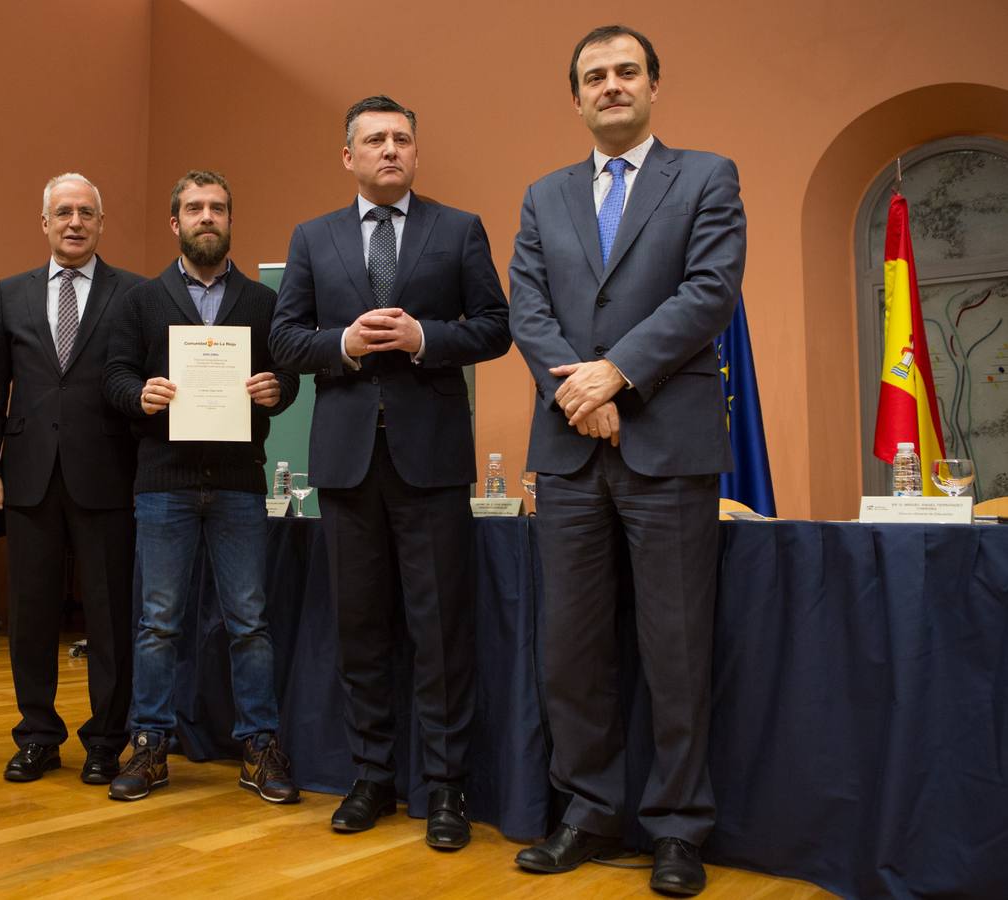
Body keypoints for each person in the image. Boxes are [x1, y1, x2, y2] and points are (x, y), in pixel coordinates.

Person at [507, 25, 746, 895]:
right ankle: (586, 813)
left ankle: (679, 828)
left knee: (675, 648)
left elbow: (708, 291)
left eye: (625, 73)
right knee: (570, 649)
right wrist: (581, 394)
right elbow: (525, 306)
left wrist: (618, 375)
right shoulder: (544, 195)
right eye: (593, 77)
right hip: (568, 454)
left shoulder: (707, 178)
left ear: (653, 85)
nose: (610, 86)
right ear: (574, 97)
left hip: (668, 449)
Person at [270, 96, 511, 851]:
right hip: (344, 462)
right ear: (348, 156)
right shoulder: (314, 237)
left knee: (440, 632)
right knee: (360, 627)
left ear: (415, 151)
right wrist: (341, 341)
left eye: (402, 138)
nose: (389, 150)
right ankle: (371, 777)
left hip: (431, 461)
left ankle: (444, 788)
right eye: (374, 140)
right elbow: (283, 338)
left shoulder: (458, 228)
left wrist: (422, 337)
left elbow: (495, 327)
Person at [102, 170, 300, 804]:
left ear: (230, 220)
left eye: (217, 207)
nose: (206, 217)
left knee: (250, 622)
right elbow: (114, 376)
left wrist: (277, 391)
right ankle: (152, 743)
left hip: (241, 483)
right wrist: (140, 395)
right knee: (158, 622)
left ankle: (260, 746)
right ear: (175, 223)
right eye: (194, 208)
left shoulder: (264, 302)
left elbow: (287, 378)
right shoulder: (141, 299)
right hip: (164, 483)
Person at [0, 173, 142, 785]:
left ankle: (105, 739)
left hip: (108, 476)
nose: (74, 222)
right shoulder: (10, 293)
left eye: (86, 213)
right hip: (28, 476)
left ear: (101, 223)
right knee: (31, 613)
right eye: (63, 212)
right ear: (43, 223)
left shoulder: (134, 294)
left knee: (109, 615)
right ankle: (38, 734)